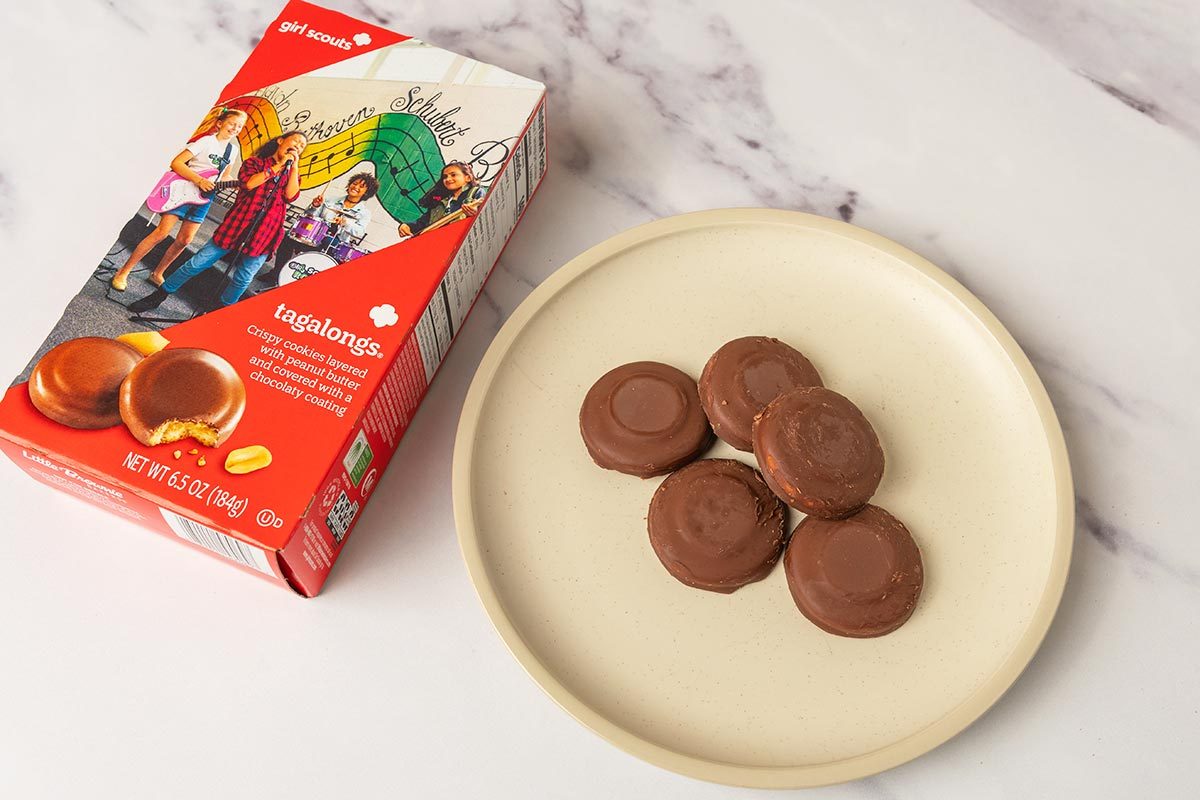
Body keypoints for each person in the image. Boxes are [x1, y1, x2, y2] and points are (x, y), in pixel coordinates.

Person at [128, 131, 307, 312]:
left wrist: (294, 169)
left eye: (302, 146)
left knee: (244, 278)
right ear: (281, 140)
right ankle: (158, 295)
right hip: (238, 224)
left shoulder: (292, 174)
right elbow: (250, 184)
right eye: (296, 141)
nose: (298, 147)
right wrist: (279, 165)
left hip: (266, 231)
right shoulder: (255, 163)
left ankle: (216, 314)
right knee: (197, 263)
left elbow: (291, 195)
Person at [111, 108, 246, 291]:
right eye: (232, 123)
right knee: (162, 232)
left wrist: (238, 184)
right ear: (220, 123)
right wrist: (198, 179)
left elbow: (224, 175)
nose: (235, 128)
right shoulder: (206, 141)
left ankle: (157, 273)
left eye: (239, 126)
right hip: (184, 190)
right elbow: (177, 162)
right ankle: (123, 272)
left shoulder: (233, 150)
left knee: (185, 240)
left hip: (204, 197)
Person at [262, 172, 378, 283]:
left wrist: (345, 222)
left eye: (361, 186)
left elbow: (360, 232)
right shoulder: (330, 200)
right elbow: (312, 216)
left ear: (366, 193)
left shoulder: (364, 213)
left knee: (330, 248)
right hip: (316, 237)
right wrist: (314, 206)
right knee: (288, 237)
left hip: (336, 245)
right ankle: (277, 273)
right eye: (355, 183)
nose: (356, 186)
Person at [397, 162, 485, 237]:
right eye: (445, 177)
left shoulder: (476, 193)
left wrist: (475, 214)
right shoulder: (439, 200)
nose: (448, 179)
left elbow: (484, 218)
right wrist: (407, 226)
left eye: (453, 175)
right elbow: (423, 222)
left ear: (468, 178)